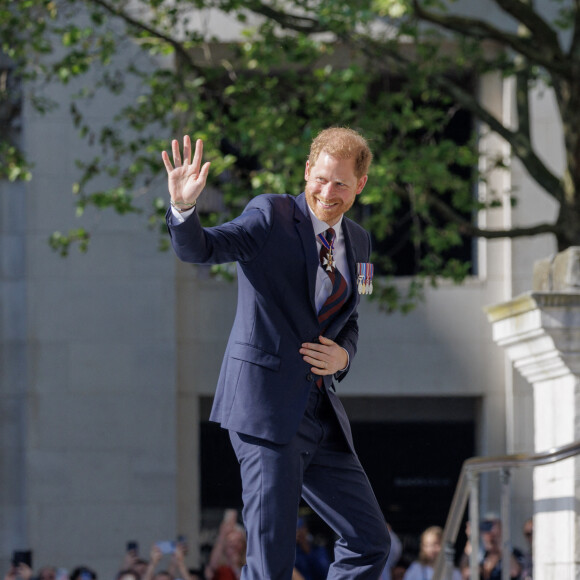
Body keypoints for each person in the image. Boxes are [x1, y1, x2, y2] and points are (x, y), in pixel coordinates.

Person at [162, 127, 390, 579]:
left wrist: (343, 357)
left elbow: (354, 319)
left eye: (341, 184)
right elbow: (202, 248)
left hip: (321, 416)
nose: (328, 192)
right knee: (270, 563)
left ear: (360, 185)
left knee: (370, 542)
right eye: (320, 178)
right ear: (307, 171)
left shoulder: (361, 246)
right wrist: (184, 208)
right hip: (265, 409)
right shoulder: (270, 215)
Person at [479, 515, 523, 580]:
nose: (489, 533)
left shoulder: (514, 553)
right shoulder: (481, 554)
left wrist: (501, 542)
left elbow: (514, 571)